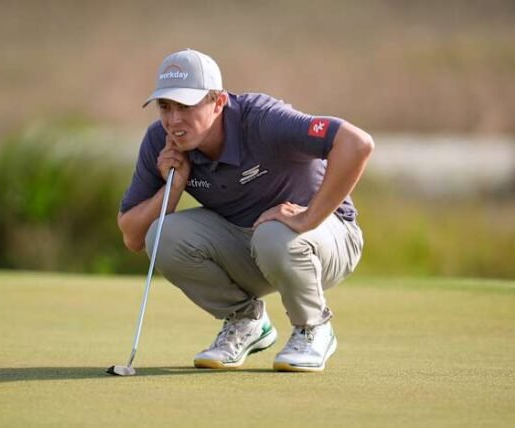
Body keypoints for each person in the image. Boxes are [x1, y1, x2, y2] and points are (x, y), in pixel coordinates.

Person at [118, 48, 373, 372]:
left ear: (219, 102)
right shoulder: (161, 141)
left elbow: (357, 143)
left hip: (328, 238)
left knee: (272, 234)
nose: (173, 120)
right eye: (165, 107)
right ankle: (246, 321)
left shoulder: (263, 120)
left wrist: (307, 218)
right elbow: (133, 237)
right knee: (162, 234)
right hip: (252, 246)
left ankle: (313, 327)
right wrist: (175, 187)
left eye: (186, 106)